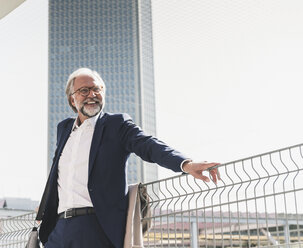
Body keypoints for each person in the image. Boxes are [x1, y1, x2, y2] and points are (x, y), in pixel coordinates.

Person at [39, 68, 220, 248]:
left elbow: (149, 144)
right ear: (72, 98)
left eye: (97, 89)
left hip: (94, 226)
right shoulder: (64, 129)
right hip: (59, 230)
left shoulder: (116, 125)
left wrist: (185, 164)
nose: (92, 95)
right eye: (84, 90)